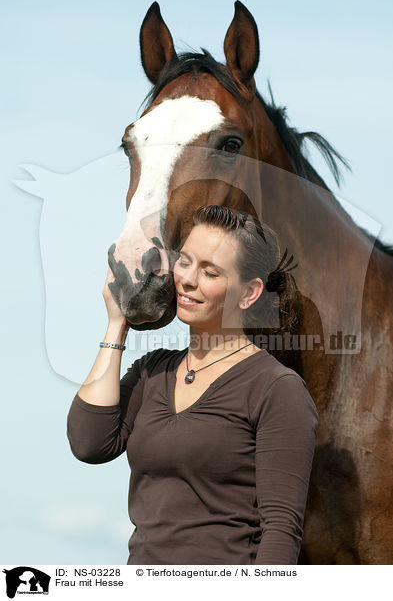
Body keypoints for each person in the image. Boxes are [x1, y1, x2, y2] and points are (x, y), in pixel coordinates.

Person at [67, 205, 318, 565]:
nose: (187, 279)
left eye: (210, 272)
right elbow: (89, 443)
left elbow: (281, 530)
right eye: (184, 262)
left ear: (249, 293)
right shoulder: (153, 371)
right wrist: (117, 324)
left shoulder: (277, 388)